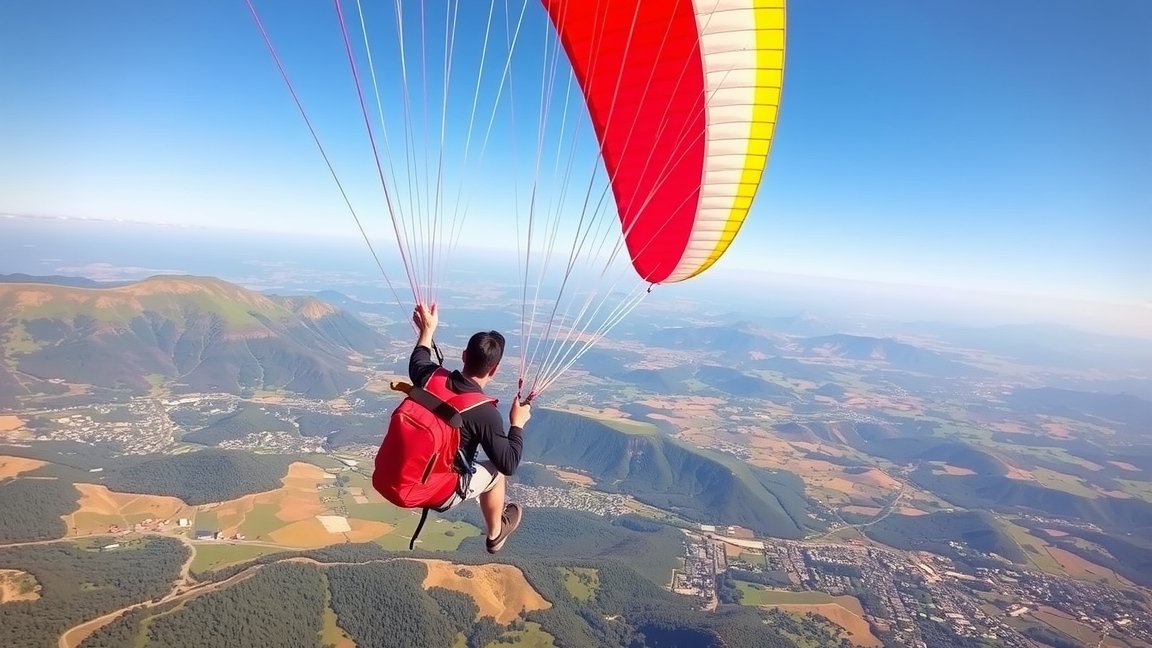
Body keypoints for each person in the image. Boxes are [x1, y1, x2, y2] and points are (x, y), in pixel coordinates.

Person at [408, 302, 531, 553]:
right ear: (494, 370)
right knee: (497, 473)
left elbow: (419, 357)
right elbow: (509, 463)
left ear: (464, 356)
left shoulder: (429, 376)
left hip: (407, 471)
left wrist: (427, 330)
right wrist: (516, 424)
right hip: (439, 490)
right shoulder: (484, 412)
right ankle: (496, 534)